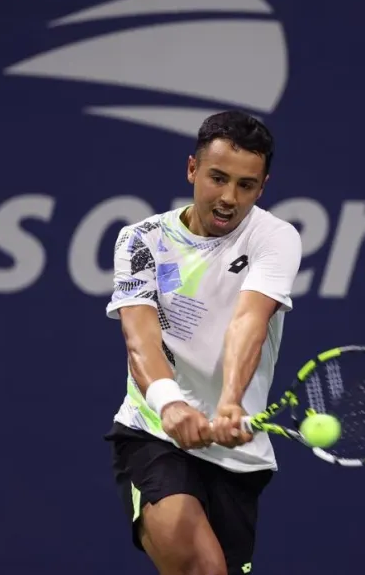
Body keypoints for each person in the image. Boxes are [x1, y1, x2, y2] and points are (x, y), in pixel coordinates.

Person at [102, 110, 303, 575]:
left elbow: (248, 322)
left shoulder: (276, 238)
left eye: (246, 186)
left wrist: (230, 402)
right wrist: (171, 405)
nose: (229, 198)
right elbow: (140, 339)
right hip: (153, 433)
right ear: (192, 169)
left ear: (263, 186)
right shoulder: (141, 240)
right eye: (217, 178)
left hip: (238, 458)